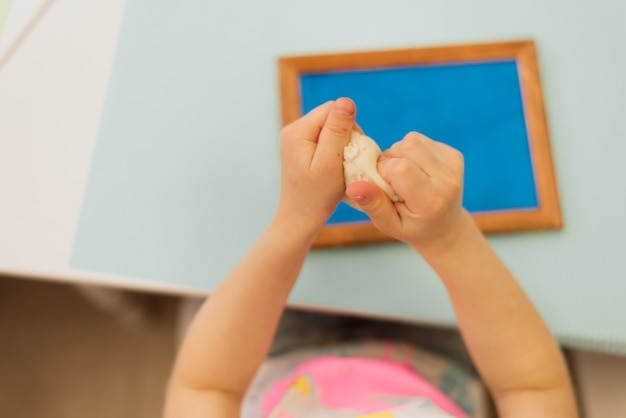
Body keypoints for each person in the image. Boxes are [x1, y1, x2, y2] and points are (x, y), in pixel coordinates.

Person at [163, 98, 578, 418]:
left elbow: (206, 388)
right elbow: (531, 388)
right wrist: (450, 238)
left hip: (268, 350)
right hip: (444, 355)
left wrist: (294, 220)